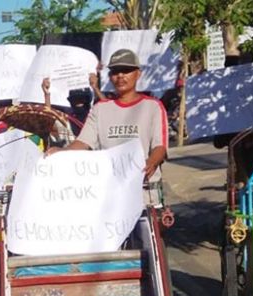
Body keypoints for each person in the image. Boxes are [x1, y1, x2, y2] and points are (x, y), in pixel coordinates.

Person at [47, 49, 168, 207]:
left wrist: (151, 162)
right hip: (110, 194)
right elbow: (83, 142)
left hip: (145, 194)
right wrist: (61, 152)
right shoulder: (100, 109)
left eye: (126, 71)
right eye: (115, 72)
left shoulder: (153, 106)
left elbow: (160, 147)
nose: (120, 76)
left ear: (138, 74)